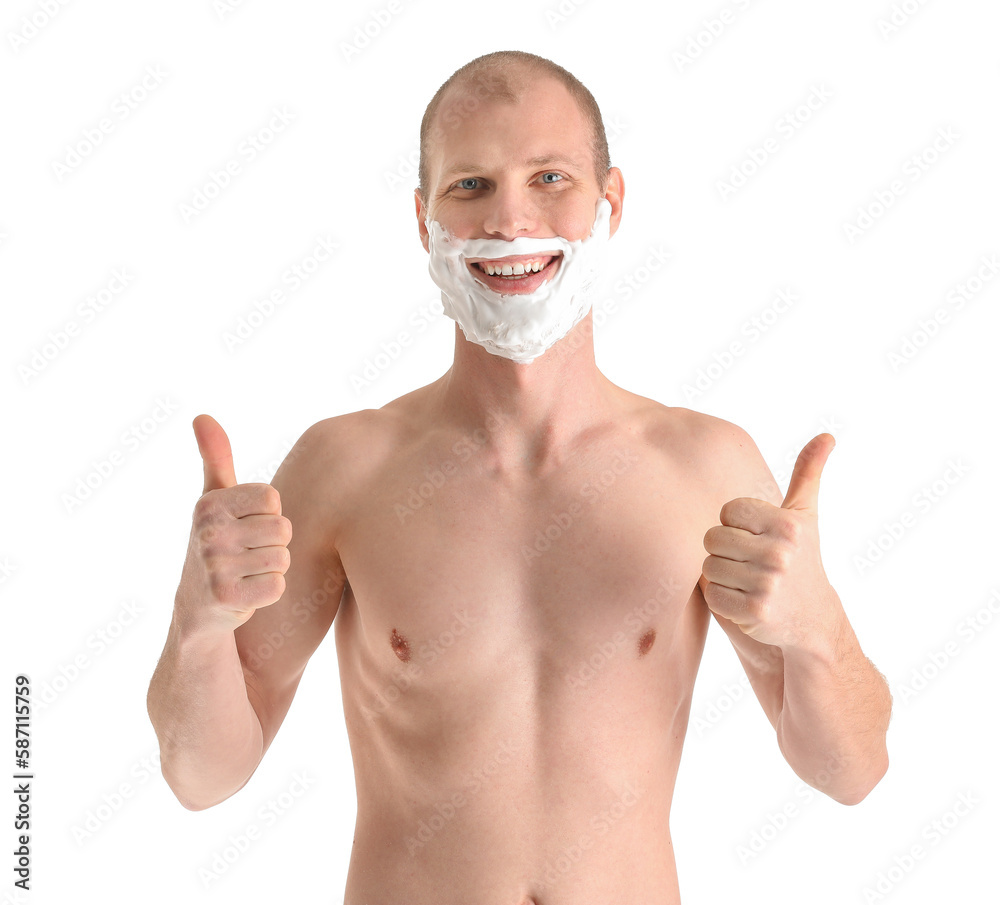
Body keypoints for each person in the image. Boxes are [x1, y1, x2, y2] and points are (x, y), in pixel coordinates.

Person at [147, 50, 892, 905]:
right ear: (423, 220)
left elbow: (853, 772)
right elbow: (204, 777)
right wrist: (198, 625)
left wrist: (813, 626)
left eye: (549, 177)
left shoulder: (705, 469)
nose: (509, 219)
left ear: (610, 201)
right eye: (471, 186)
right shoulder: (346, 467)